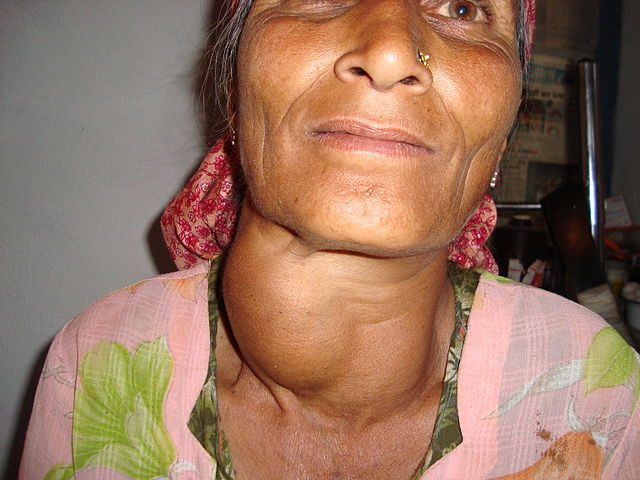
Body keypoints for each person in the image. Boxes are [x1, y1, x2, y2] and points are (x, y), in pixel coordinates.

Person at [19, 0, 639, 479]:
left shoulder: (598, 393)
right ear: (233, 90)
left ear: (503, 133)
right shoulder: (98, 356)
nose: (391, 51)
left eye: (463, 6)